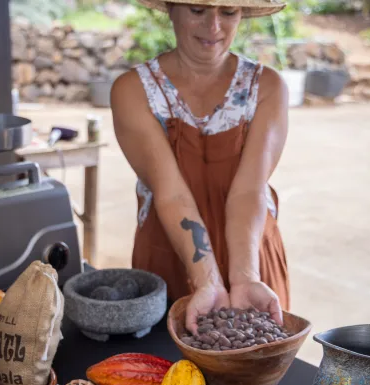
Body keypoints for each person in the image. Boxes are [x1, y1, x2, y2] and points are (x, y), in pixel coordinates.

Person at [111, 0, 290, 335]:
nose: (214, 27)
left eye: (228, 12)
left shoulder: (267, 87)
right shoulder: (133, 91)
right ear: (170, 8)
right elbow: (171, 192)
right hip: (169, 256)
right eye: (197, 10)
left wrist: (246, 278)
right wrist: (207, 280)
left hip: (250, 255)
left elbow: (250, 189)